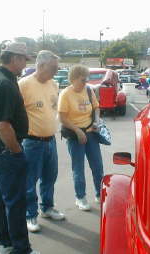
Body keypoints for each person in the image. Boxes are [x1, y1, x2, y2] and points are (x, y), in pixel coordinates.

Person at [0, 41, 39, 254]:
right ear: (14, 58)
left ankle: (4, 243)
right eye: (24, 59)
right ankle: (21, 249)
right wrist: (16, 151)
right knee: (15, 202)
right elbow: (2, 124)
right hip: (6, 150)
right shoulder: (4, 83)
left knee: (1, 197)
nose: (25, 64)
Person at [19, 50, 65, 233]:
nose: (56, 71)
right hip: (31, 142)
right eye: (54, 68)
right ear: (42, 65)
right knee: (30, 180)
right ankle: (30, 215)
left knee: (49, 177)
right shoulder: (23, 85)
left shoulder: (53, 84)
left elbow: (53, 108)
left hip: (50, 140)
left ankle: (47, 208)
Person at [58, 64, 104, 211]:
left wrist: (97, 120)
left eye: (87, 79)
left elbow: (96, 107)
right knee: (78, 168)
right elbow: (62, 118)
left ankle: (100, 194)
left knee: (97, 166)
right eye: (83, 80)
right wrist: (78, 131)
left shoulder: (89, 90)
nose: (86, 83)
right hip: (75, 135)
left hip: (91, 133)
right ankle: (80, 198)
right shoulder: (65, 94)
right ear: (73, 79)